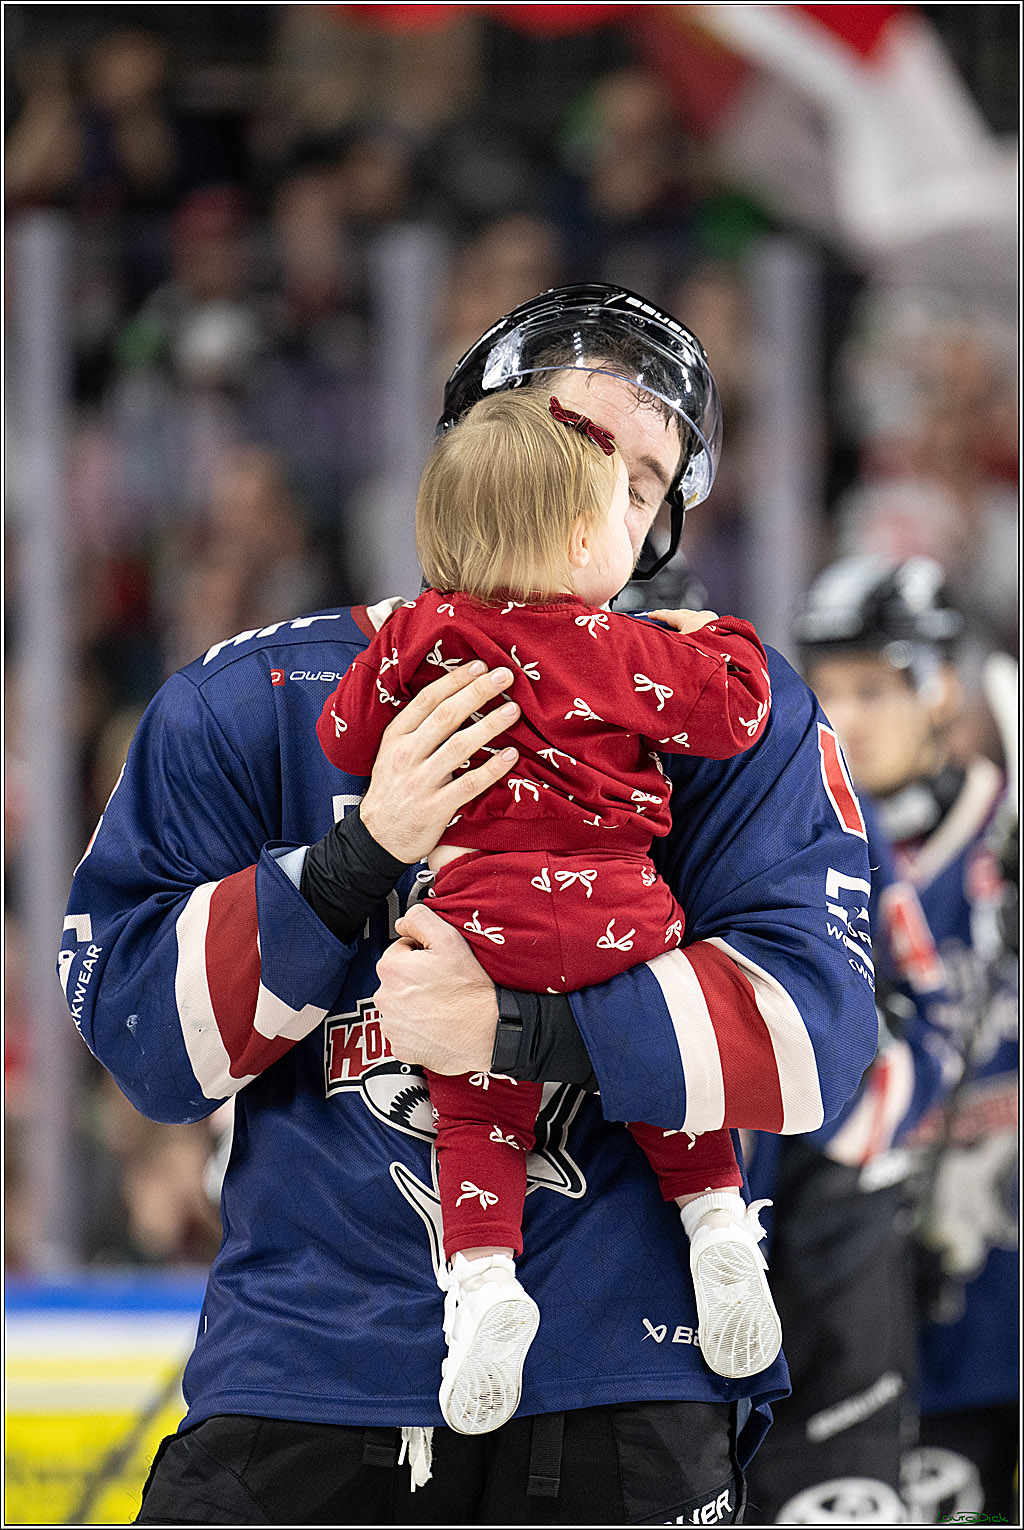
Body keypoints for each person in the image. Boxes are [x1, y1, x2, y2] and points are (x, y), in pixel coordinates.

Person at [59, 284, 878, 1526]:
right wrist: (355, 859)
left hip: (625, 1374)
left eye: (645, 482)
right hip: (303, 1376)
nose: (607, 500)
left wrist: (519, 1032)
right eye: (577, 444)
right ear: (472, 457)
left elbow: (815, 1036)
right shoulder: (254, 697)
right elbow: (144, 1042)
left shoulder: (714, 708)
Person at [317, 387, 781, 1436]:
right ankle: (717, 1224)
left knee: (476, 1107)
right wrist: (723, 635)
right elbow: (737, 712)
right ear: (582, 537)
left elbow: (342, 739)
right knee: (663, 1069)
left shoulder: (424, 631)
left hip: (482, 918)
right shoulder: (619, 646)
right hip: (621, 910)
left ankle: (484, 1279)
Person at [783, 555, 1018, 1526]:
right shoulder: (802, 857)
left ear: (941, 690)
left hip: (994, 1304)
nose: (847, 717)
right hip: (850, 1296)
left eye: (874, 689)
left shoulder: (1003, 839)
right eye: (829, 690)